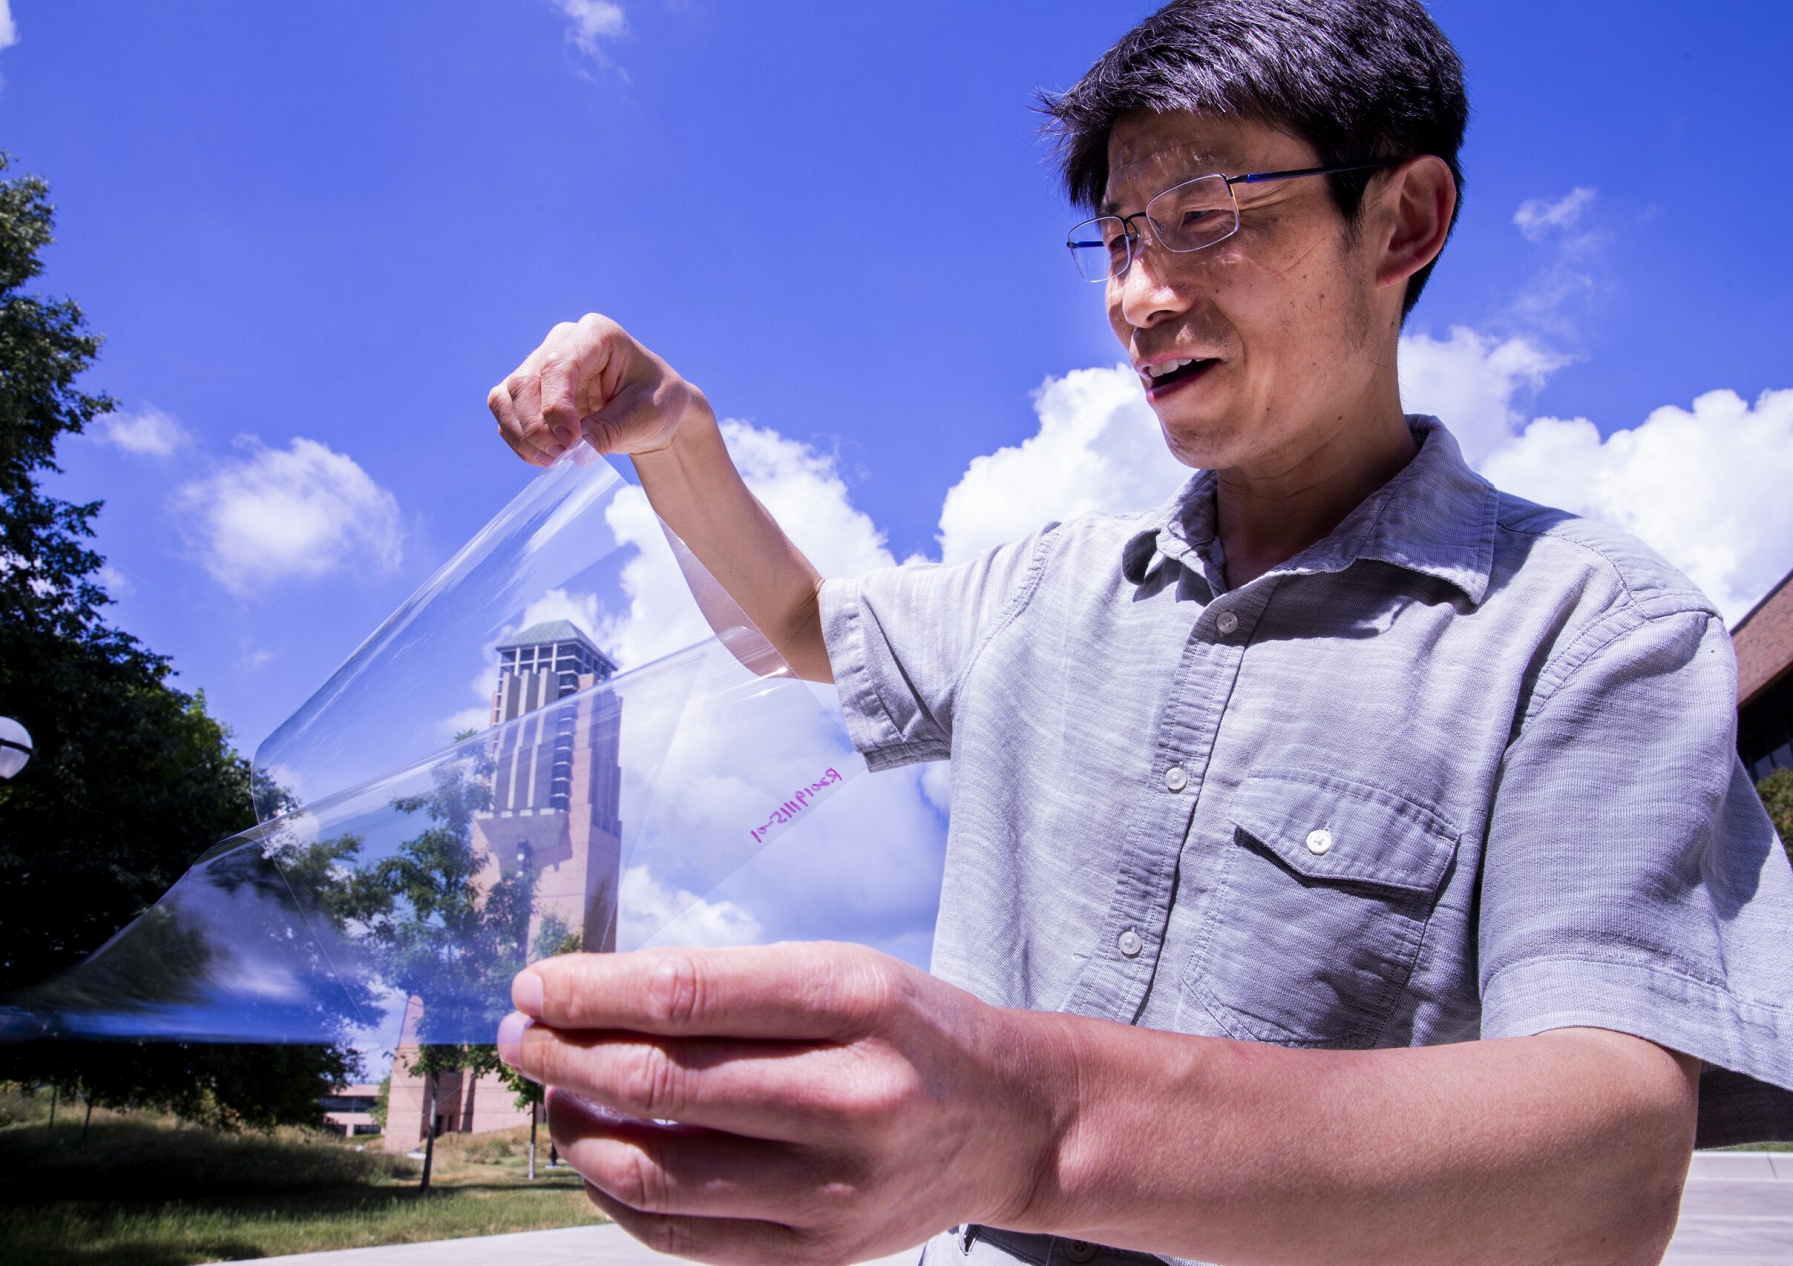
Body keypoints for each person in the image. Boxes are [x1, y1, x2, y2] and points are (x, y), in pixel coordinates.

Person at [487, 2, 1793, 1262]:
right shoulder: (1041, 590)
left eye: (1202, 217)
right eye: (1116, 237)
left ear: (1403, 219)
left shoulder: (1591, 633)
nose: (1136, 296)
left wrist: (1039, 1128)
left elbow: (1609, 1165)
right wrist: (673, 436)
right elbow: (787, 627)